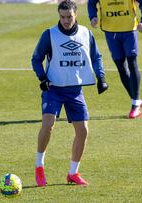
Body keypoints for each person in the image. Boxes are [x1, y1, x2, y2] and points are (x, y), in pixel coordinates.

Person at [31, 0, 108, 186]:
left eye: (69, 17)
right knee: (48, 125)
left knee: (83, 131)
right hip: (53, 89)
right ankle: (39, 166)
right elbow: (36, 59)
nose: (65, 21)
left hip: (75, 90)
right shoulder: (49, 35)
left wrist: (101, 78)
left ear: (76, 15)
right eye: (62, 17)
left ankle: (73, 173)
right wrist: (42, 78)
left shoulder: (85, 33)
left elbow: (96, 57)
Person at [88, 0, 142, 119]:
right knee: (121, 67)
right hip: (110, 31)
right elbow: (91, 3)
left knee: (132, 63)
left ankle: (135, 103)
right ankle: (136, 100)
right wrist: (93, 16)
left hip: (129, 30)